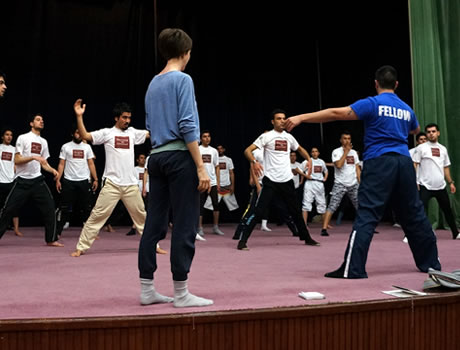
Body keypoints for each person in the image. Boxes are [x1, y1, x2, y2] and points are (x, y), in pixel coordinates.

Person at [286, 65, 441, 278]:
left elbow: (335, 113)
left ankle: (353, 269)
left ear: (376, 84)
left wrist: (301, 117)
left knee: (367, 214)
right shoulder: (407, 109)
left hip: (379, 162)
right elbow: (415, 130)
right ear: (396, 85)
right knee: (414, 214)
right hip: (404, 163)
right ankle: (431, 263)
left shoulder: (372, 103)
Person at [139, 27, 213, 308]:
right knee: (185, 223)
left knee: (154, 223)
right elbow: (187, 124)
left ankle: (147, 289)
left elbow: (149, 125)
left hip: (155, 157)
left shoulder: (152, 83)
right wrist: (201, 167)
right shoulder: (183, 79)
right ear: (186, 52)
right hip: (179, 157)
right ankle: (181, 293)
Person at [70, 100, 150, 257]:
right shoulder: (107, 133)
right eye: (124, 117)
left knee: (142, 217)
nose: (127, 121)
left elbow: (150, 133)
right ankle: (81, 247)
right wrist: (79, 116)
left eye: (129, 118)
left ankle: (153, 245)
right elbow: (85, 135)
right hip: (112, 184)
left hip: (131, 185)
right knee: (97, 215)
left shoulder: (133, 133)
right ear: (116, 118)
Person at [236, 109, 320, 250]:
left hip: (287, 180)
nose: (282, 121)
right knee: (258, 211)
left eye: (284, 118)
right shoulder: (267, 137)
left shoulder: (289, 137)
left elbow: (300, 149)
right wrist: (254, 162)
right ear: (272, 121)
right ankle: (242, 241)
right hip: (270, 180)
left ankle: (307, 238)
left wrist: (309, 159)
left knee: (296, 212)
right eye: (279, 118)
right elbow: (247, 150)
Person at [0, 114, 63, 246]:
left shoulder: (44, 142)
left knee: (50, 208)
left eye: (42, 120)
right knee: (8, 210)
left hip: (37, 181)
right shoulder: (23, 138)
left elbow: (44, 163)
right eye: (38, 120)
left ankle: (51, 239)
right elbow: (17, 159)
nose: (41, 122)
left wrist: (52, 170)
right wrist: (33, 157)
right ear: (31, 123)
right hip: (22, 181)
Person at [413, 123, 459, 239]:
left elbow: (446, 167)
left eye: (433, 131)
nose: (431, 134)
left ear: (438, 133)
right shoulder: (421, 148)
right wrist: (416, 181)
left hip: (440, 186)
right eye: (428, 132)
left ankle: (456, 233)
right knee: (419, 211)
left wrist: (451, 182)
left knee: (447, 210)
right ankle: (410, 234)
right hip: (425, 185)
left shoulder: (443, 149)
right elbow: (415, 165)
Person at [55, 127, 98, 237]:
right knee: (64, 208)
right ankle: (58, 231)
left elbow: (91, 163)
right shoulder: (66, 146)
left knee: (87, 208)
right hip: (69, 181)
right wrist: (58, 179)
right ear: (72, 134)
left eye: (80, 133)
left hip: (84, 181)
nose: (79, 134)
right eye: (77, 132)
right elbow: (61, 164)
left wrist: (95, 179)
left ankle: (89, 233)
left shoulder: (87, 147)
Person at [320, 132, 360, 236]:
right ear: (341, 140)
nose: (347, 140)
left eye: (349, 138)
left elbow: (357, 168)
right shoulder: (336, 151)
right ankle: (324, 229)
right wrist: (346, 152)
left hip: (353, 183)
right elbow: (338, 165)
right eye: (345, 138)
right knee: (332, 206)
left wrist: (360, 182)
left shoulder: (354, 153)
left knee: (360, 206)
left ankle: (365, 227)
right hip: (340, 183)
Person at [197, 130, 223, 236]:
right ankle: (199, 228)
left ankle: (215, 227)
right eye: (204, 136)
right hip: (202, 182)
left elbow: (217, 167)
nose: (207, 138)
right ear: (201, 138)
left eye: (208, 136)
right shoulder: (198, 149)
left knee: (216, 204)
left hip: (212, 182)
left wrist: (217, 182)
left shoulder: (214, 151)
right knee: (200, 205)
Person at [204, 144, 239, 218]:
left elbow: (231, 173)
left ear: (224, 150)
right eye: (218, 149)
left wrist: (233, 186)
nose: (219, 150)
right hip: (216, 186)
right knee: (209, 206)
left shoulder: (228, 160)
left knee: (234, 207)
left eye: (221, 148)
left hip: (227, 187)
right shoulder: (214, 159)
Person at [0, 128, 21, 236]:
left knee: (14, 206)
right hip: (0, 181)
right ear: (2, 136)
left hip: (11, 181)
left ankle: (16, 229)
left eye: (11, 135)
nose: (9, 137)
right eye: (7, 134)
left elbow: (16, 164)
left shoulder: (14, 150)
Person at [300, 147, 328, 225]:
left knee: (322, 203)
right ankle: (304, 224)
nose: (314, 153)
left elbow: (326, 171)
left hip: (319, 184)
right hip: (310, 183)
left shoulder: (321, 162)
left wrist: (325, 178)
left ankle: (325, 224)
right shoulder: (306, 161)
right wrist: (305, 176)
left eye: (316, 151)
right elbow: (299, 170)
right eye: (313, 152)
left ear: (318, 153)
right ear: (311, 153)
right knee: (306, 203)